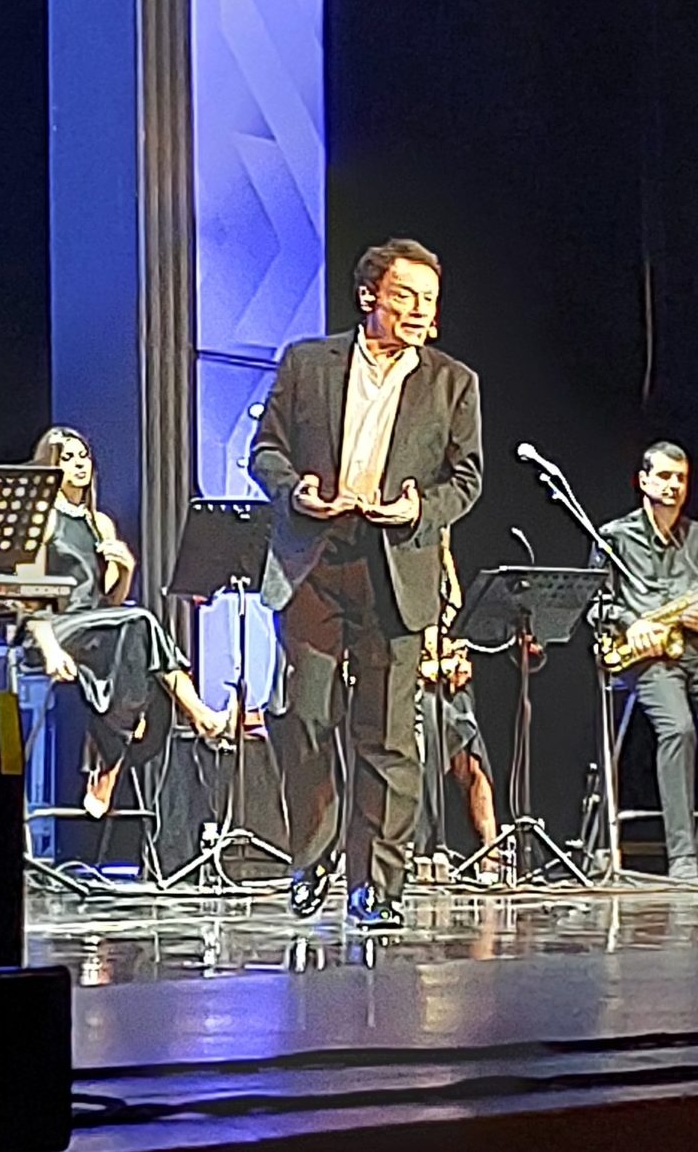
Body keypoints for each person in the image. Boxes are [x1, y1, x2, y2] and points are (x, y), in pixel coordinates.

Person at [252, 238, 483, 929]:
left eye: (429, 300)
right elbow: (266, 450)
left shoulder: (453, 382)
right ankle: (312, 856)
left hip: (394, 566)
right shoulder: (308, 362)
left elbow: (466, 480)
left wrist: (419, 509)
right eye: (405, 295)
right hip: (317, 560)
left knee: (387, 735)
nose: (418, 310)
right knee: (305, 718)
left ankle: (376, 885)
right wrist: (295, 492)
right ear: (369, 297)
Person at [22, 427, 234, 817]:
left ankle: (113, 762)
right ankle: (195, 717)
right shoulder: (43, 519)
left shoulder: (99, 523)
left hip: (96, 626)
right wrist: (50, 648)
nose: (79, 465)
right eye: (67, 459)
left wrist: (127, 568)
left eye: (83, 456)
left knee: (136, 629)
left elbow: (110, 602)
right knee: (141, 620)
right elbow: (28, 598)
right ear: (51, 467)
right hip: (55, 627)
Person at [596, 442, 698, 881]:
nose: (673, 486)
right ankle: (683, 857)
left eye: (681, 478)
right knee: (679, 729)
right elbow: (596, 605)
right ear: (643, 481)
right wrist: (631, 623)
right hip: (647, 654)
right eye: (665, 476)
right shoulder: (614, 537)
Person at [417, 531, 501, 869]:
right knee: (437, 717)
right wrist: (431, 666)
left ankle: (491, 849)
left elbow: (453, 626)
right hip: (406, 683)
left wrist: (457, 662)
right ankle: (421, 848)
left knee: (469, 740)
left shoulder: (444, 564)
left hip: (442, 681)